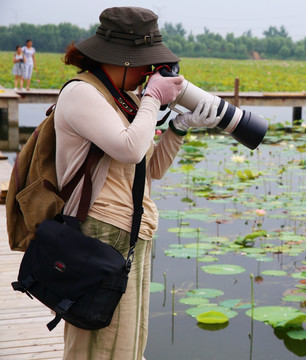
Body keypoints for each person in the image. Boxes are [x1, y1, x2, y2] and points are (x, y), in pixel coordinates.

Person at [55, 7, 220, 360]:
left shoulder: (125, 98)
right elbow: (129, 148)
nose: (149, 72)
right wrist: (152, 98)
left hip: (133, 232)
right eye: (146, 63)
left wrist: (179, 127)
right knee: (97, 344)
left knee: (129, 343)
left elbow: (150, 168)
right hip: (98, 233)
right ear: (124, 58)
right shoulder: (82, 93)